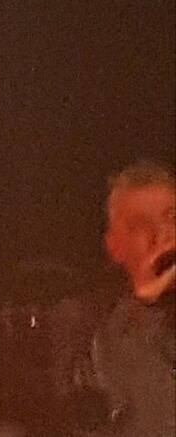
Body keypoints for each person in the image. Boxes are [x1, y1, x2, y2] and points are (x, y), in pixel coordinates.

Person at [78, 160, 175, 437]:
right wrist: (145, 304)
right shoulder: (101, 340)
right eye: (140, 226)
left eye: (172, 219)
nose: (162, 236)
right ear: (115, 247)